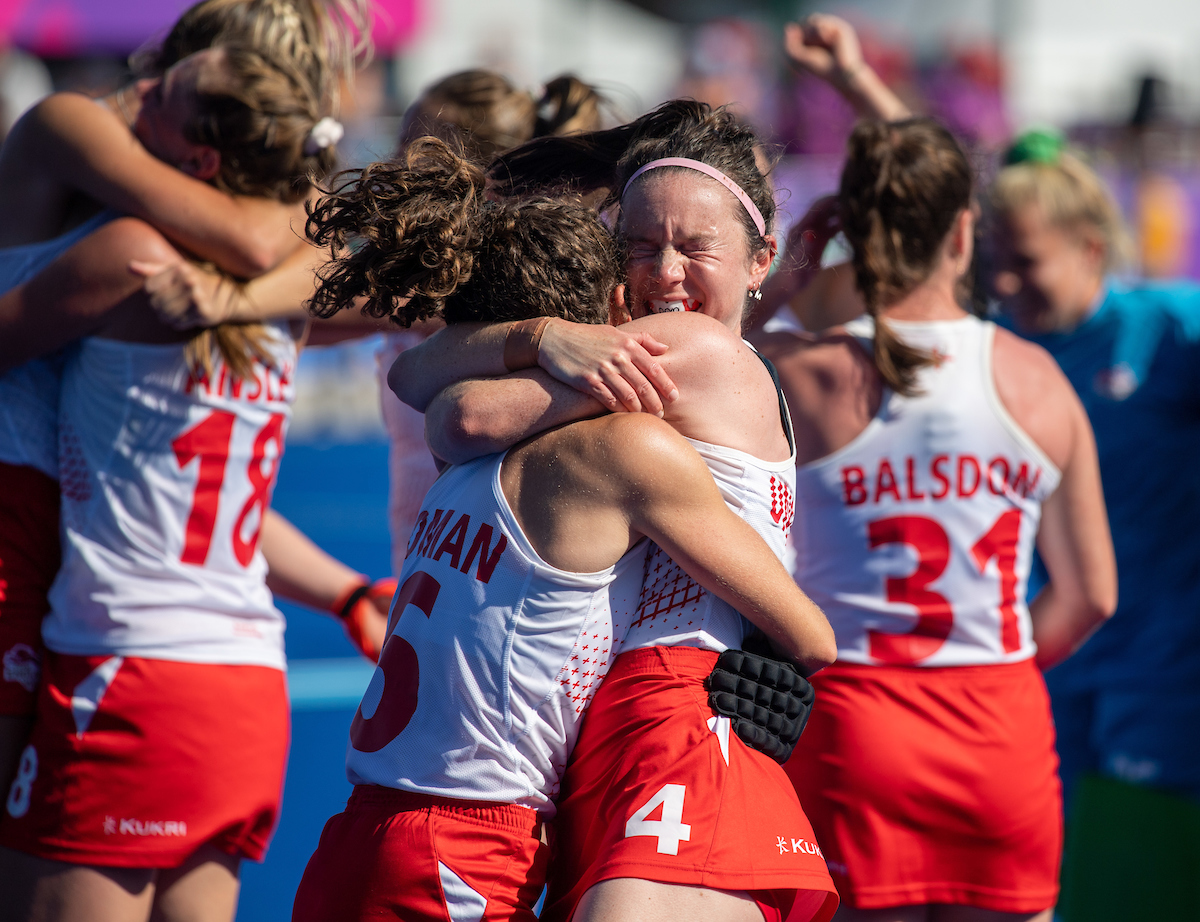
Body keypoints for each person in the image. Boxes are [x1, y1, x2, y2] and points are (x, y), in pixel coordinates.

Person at [288, 135, 836, 922]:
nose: (664, 272)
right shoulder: (593, 437)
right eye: (639, 247)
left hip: (665, 712)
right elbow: (443, 400)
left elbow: (449, 404)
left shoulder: (674, 367)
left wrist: (534, 340)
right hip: (573, 754)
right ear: (612, 284)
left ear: (759, 259)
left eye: (694, 246)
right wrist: (545, 339)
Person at [0, 41, 348, 922]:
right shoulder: (289, 304)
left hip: (130, 669)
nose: (141, 80)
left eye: (166, 90)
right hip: (244, 685)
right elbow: (346, 263)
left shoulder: (132, 257)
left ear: (200, 161)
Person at [749, 117, 1116, 922]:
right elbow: (1091, 594)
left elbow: (706, 351)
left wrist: (792, 274)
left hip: (855, 735)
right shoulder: (1037, 379)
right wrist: (997, 667)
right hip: (999, 742)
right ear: (964, 230)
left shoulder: (799, 369)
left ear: (851, 229)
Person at [990, 129, 1200, 922]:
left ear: (1090, 247)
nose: (1006, 282)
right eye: (994, 264)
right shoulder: (995, 348)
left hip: (1163, 678)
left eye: (1027, 262)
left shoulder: (1170, 331)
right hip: (1044, 673)